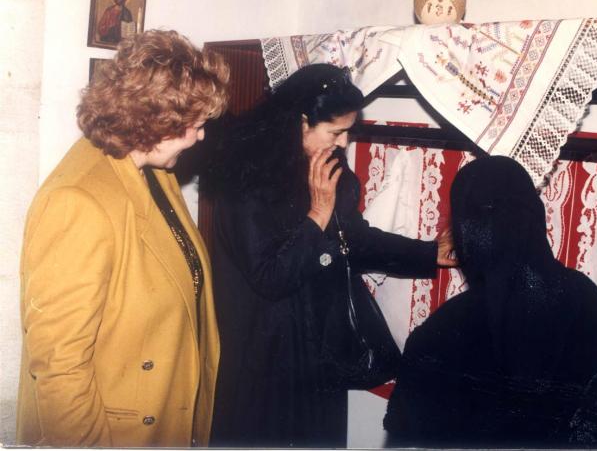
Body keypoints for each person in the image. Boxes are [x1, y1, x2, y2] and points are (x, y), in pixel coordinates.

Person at [203, 63, 456, 448]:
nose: (343, 143)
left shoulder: (323, 166)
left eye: (348, 132)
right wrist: (318, 213)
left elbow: (353, 240)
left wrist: (428, 253)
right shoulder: (244, 182)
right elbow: (272, 277)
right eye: (335, 132)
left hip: (319, 354)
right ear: (301, 122)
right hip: (265, 361)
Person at [16, 29, 230, 447]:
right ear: (159, 120)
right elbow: (60, 367)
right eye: (197, 125)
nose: (201, 136)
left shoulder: (154, 172)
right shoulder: (77, 203)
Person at [384, 155, 597, 449]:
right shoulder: (592, 305)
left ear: (466, 231)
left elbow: (404, 436)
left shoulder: (441, 333)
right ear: (534, 214)